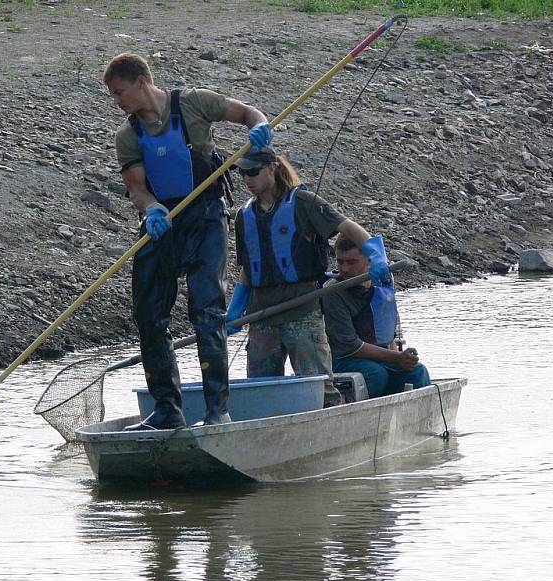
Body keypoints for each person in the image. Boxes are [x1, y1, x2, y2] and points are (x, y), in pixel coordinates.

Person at [103, 52, 273, 430]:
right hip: (162, 223)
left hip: (206, 218)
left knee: (206, 310)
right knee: (148, 315)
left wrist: (260, 128)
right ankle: (167, 409)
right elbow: (136, 190)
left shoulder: (194, 102)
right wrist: (151, 210)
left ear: (142, 82)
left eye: (120, 92)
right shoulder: (128, 135)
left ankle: (217, 410)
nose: (118, 102)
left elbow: (249, 114)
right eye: (114, 96)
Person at [227, 146, 391, 407]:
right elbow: (250, 267)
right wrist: (236, 307)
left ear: (272, 168)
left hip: (302, 311)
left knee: (319, 389)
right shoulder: (243, 216)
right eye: (243, 173)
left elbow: (347, 226)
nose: (247, 179)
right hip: (261, 316)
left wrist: (377, 255)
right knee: (259, 390)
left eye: (253, 172)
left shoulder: (302, 203)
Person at [322, 234, 431, 398]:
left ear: (369, 262)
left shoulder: (382, 281)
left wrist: (401, 358)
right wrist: (397, 358)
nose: (344, 269)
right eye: (340, 262)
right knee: (375, 375)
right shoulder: (333, 292)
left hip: (381, 357)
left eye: (351, 262)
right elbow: (349, 346)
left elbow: (390, 331)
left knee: (417, 372)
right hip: (342, 359)